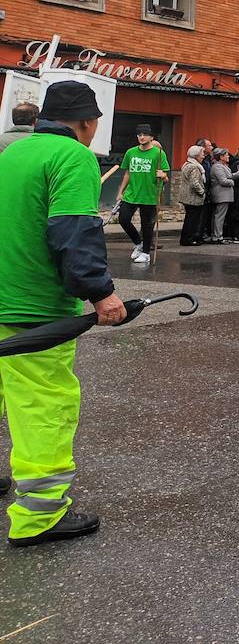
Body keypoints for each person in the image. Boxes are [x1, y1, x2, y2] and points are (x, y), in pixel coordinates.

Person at [0, 81, 125, 545]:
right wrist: (101, 294)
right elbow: (74, 231)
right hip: (38, 307)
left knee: (4, 391)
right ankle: (39, 516)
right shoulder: (73, 158)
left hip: (1, 293)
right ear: (89, 123)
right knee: (44, 404)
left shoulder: (12, 154)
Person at [114, 123, 170, 265]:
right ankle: (138, 243)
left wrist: (162, 175)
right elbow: (127, 173)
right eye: (139, 135)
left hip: (149, 193)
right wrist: (120, 191)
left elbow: (166, 177)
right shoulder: (131, 152)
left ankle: (146, 253)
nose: (142, 137)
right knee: (123, 219)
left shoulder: (158, 153)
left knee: (147, 224)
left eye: (145, 135)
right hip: (131, 193)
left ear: (151, 137)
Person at [175, 145, 207, 247]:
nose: (203, 156)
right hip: (193, 198)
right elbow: (194, 183)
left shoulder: (186, 164)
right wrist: (202, 192)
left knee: (189, 219)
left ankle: (186, 239)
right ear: (196, 155)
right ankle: (188, 239)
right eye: (202, 154)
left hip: (187, 197)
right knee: (192, 220)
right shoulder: (194, 167)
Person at [207, 148, 235, 243]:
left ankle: (218, 235)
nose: (228, 156)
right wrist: (232, 182)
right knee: (219, 216)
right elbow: (223, 181)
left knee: (220, 216)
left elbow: (230, 175)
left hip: (224, 195)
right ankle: (217, 236)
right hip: (221, 194)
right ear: (221, 157)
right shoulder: (217, 167)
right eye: (226, 155)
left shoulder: (224, 166)